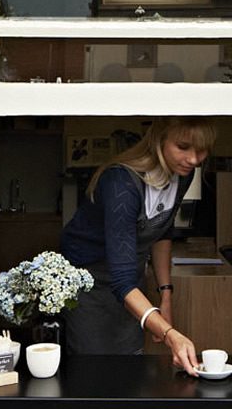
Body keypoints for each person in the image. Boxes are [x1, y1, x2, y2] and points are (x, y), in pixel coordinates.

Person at [61, 116, 216, 376]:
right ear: (159, 140)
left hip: (129, 282)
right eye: (183, 147)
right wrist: (170, 335)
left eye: (201, 150)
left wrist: (165, 294)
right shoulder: (121, 183)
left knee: (128, 367)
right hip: (88, 285)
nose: (193, 159)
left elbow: (162, 230)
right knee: (92, 373)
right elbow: (120, 281)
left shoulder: (183, 175)